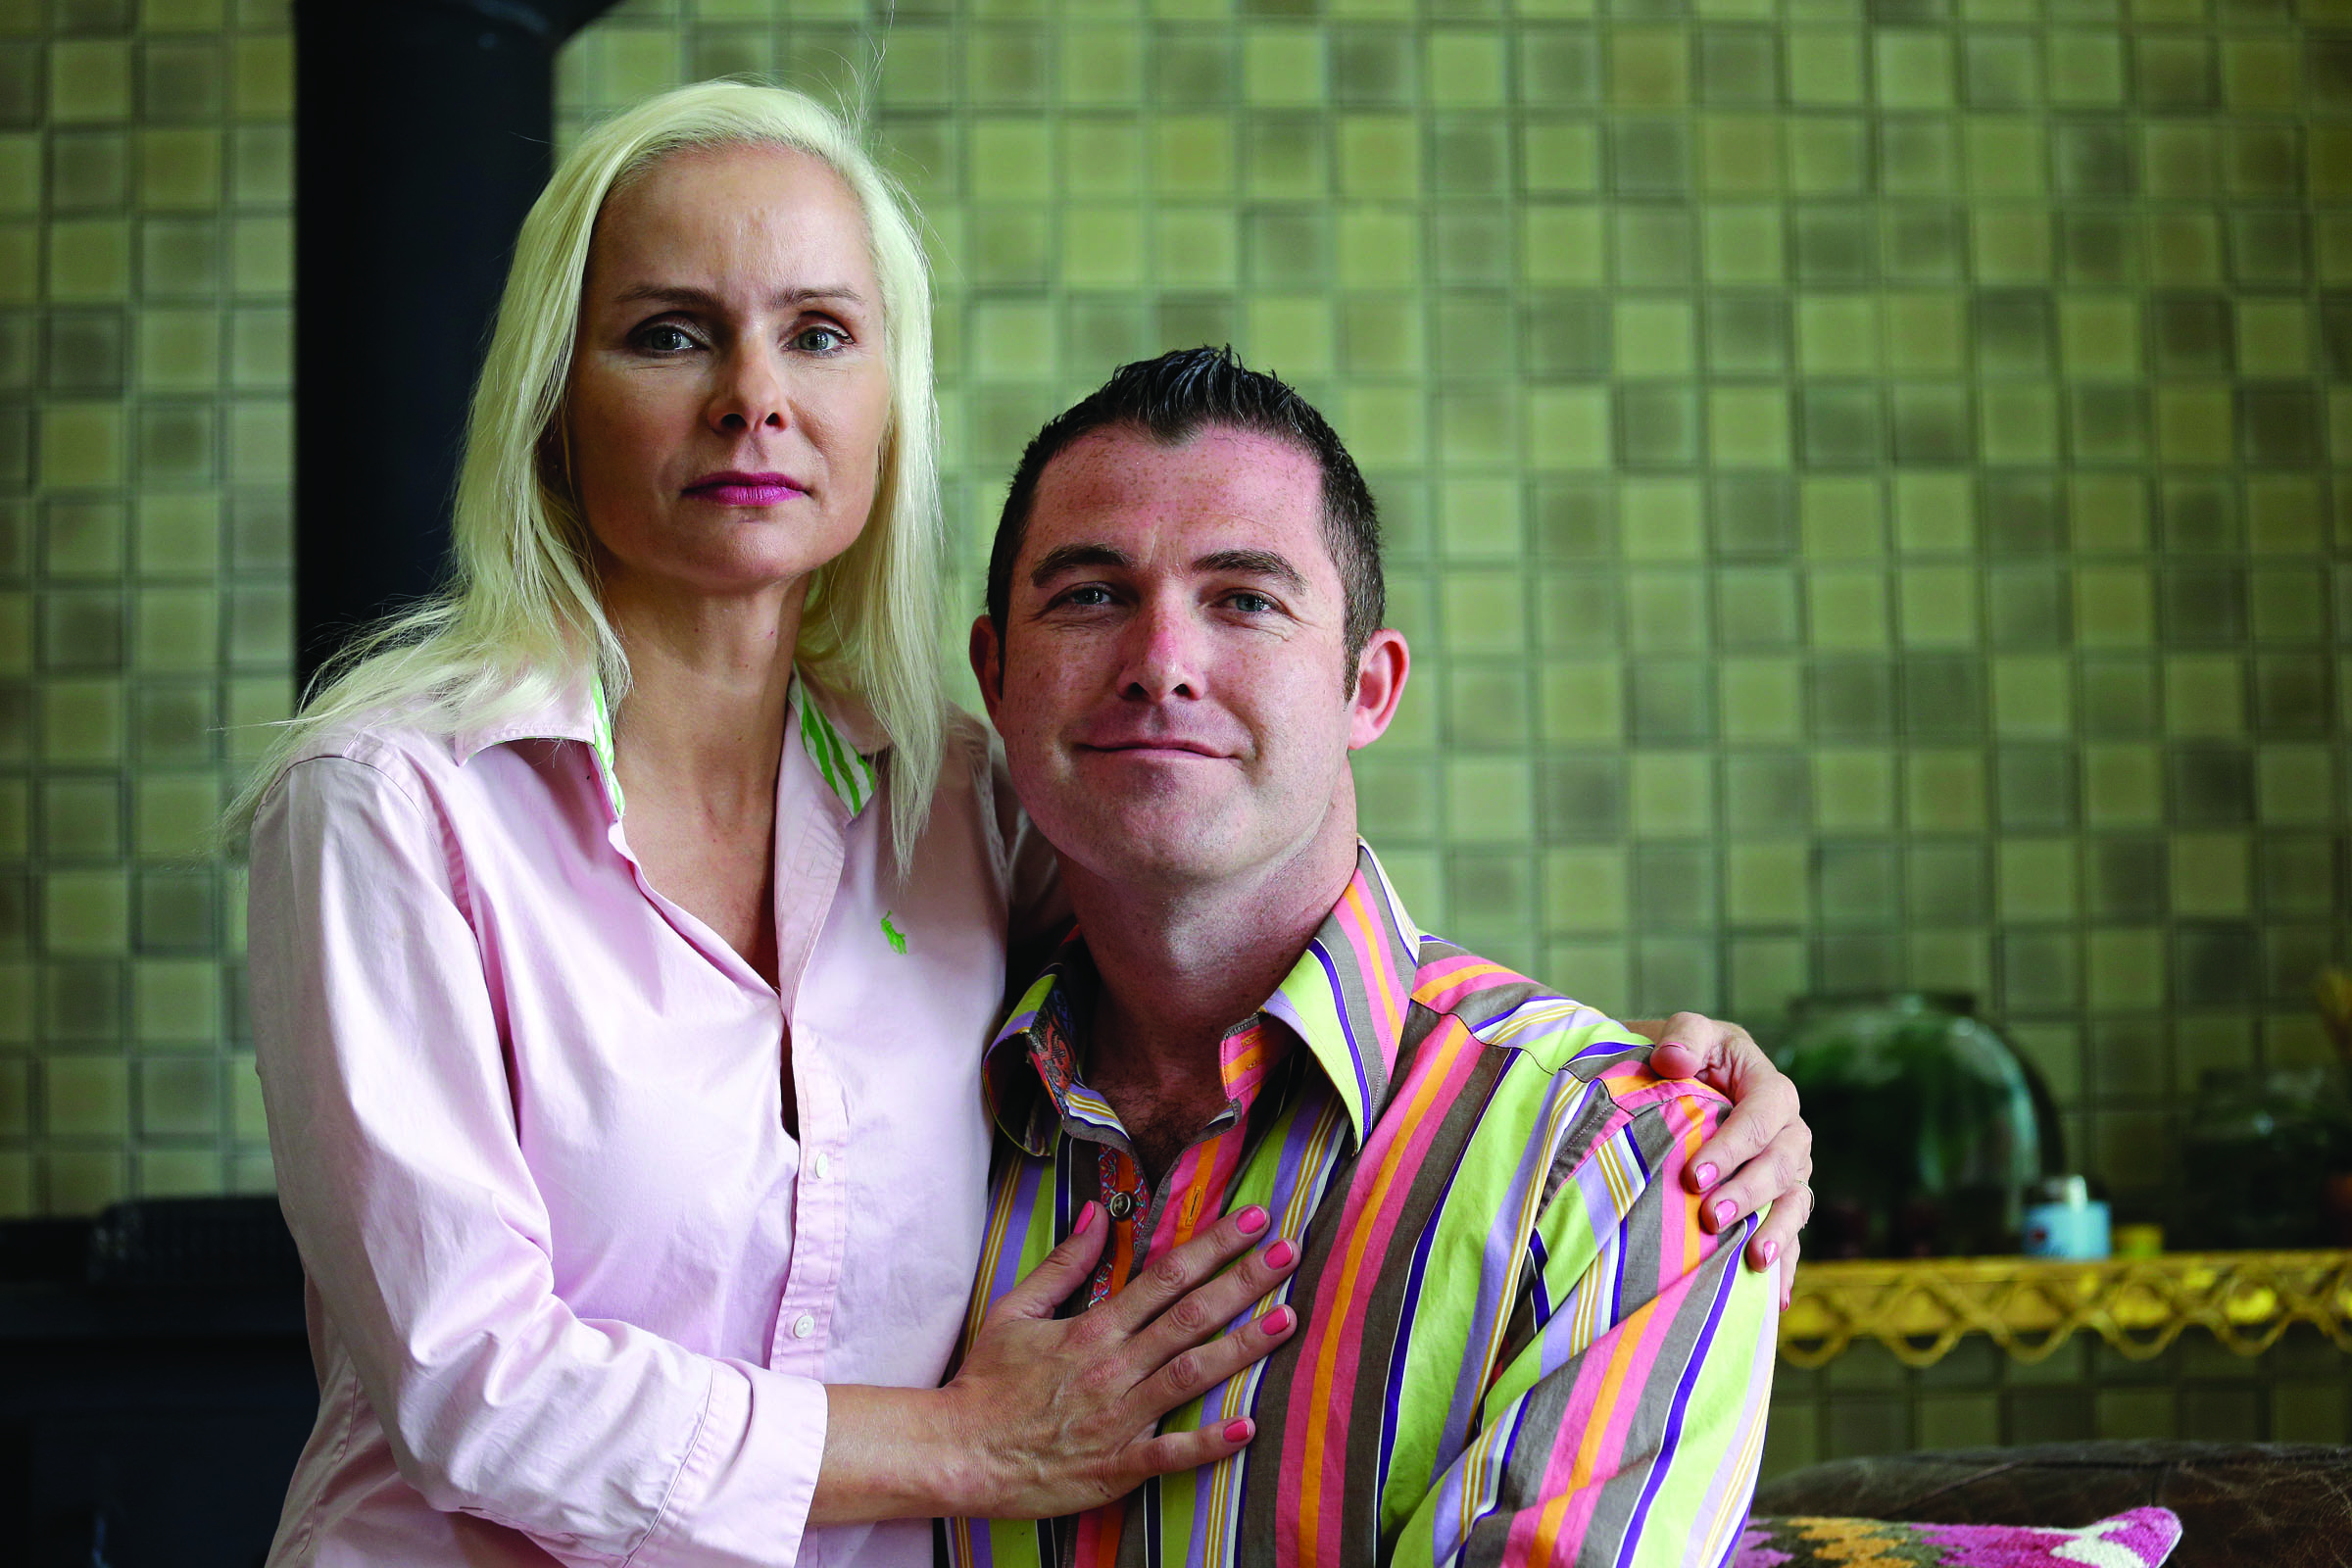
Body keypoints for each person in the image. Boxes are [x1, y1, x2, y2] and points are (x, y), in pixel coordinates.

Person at [242, 83, 1807, 1568]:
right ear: (553, 408)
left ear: (886, 409)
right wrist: (959, 1446)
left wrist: (1674, 1098)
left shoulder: (957, 800)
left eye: (821, 335)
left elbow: (1231, 909)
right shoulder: (395, 802)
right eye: (667, 336)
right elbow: (471, 1383)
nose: (754, 400)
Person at [950, 349, 1783, 1568]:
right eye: (1087, 596)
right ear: (995, 677)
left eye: (1244, 599)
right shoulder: (892, 1106)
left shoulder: (1629, 1161)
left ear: (1367, 688)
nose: (1160, 660)